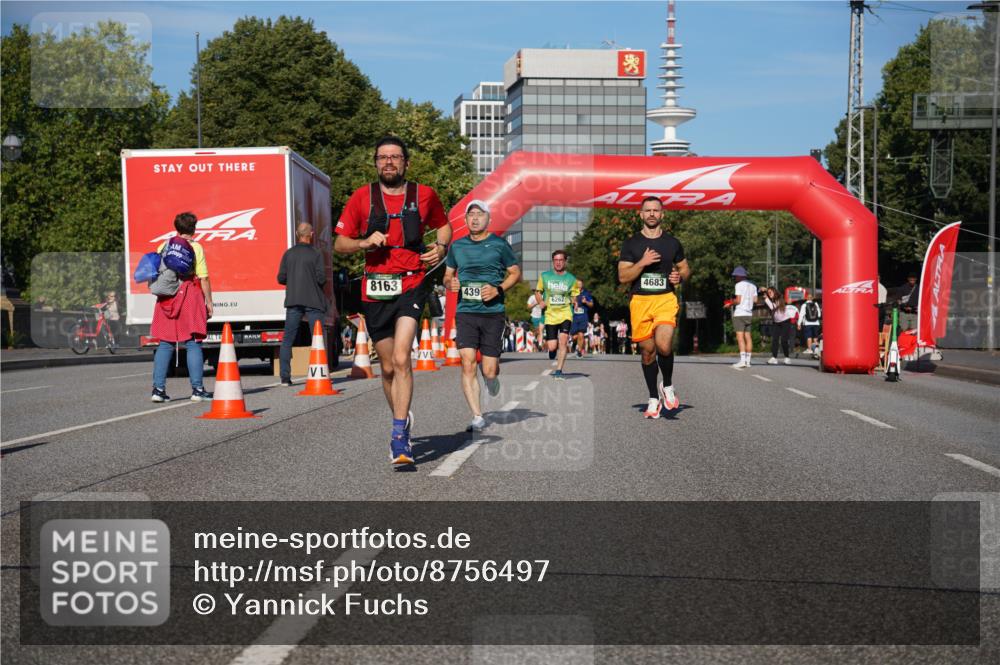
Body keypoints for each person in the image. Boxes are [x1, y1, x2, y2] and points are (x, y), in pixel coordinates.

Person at [334, 136, 451, 465]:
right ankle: (402, 417)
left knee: (402, 359)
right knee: (386, 368)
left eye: (395, 157)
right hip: (375, 289)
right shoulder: (362, 198)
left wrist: (441, 249)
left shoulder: (424, 195)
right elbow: (339, 243)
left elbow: (443, 227)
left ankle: (399, 437)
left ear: (406, 163)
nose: (388, 162)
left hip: (412, 284)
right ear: (375, 163)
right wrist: (363, 243)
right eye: (382, 157)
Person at [443, 200, 521, 431]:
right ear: (465, 220)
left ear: (488, 218)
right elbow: (447, 276)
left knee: (489, 370)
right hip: (466, 311)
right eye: (470, 215)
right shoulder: (457, 246)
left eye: (479, 214)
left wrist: (498, 289)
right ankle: (477, 416)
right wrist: (451, 282)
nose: (474, 218)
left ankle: (491, 378)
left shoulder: (499, 245)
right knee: (467, 363)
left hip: (492, 313)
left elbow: (515, 273)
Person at [617, 196, 691, 418]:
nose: (651, 214)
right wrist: (642, 262)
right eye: (647, 210)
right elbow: (622, 276)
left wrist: (680, 277)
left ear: (662, 214)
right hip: (640, 301)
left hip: (665, 299)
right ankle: (652, 397)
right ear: (640, 214)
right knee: (648, 353)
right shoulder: (631, 244)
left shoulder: (672, 243)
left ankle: (667, 385)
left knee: (664, 344)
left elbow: (685, 268)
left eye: (655, 210)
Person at [150, 212, 213, 402]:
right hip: (189, 294)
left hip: (167, 297)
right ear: (194, 228)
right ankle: (197, 389)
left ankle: (158, 390)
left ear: (176, 227)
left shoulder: (164, 245)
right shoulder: (196, 247)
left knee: (165, 343)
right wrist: (208, 301)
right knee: (193, 342)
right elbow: (203, 277)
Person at [277, 222, 327, 386]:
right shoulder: (316, 253)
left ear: (298, 234)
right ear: (311, 234)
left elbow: (281, 278)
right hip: (313, 301)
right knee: (318, 338)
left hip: (293, 300)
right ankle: (320, 372)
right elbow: (321, 279)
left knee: (288, 339)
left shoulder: (288, 254)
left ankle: (285, 377)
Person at [535, 250, 580, 378]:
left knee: (563, 340)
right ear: (553, 261)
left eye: (561, 260)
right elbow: (538, 292)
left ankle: (559, 370)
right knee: (552, 345)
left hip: (565, 312)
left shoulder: (571, 279)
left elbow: (574, 295)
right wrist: (541, 301)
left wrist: (574, 302)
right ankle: (552, 350)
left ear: (565, 261)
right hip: (550, 314)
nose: (558, 262)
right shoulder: (545, 276)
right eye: (556, 260)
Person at [730, 266, 757, 369]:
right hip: (749, 314)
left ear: (740, 276)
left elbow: (738, 300)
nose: (735, 278)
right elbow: (755, 301)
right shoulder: (753, 286)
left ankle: (742, 361)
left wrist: (730, 303)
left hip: (740, 313)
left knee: (740, 337)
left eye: (735, 276)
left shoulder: (738, 285)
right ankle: (748, 361)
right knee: (748, 337)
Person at [764, 293, 796, 364]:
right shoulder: (771, 300)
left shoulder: (779, 300)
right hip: (776, 322)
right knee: (775, 339)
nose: (770, 294)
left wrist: (766, 298)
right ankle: (774, 357)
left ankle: (787, 357)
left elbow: (773, 307)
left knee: (784, 340)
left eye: (771, 292)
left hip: (785, 322)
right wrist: (766, 297)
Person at [571, 280, 594, 358]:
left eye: (580, 284)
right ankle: (575, 344)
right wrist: (573, 302)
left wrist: (586, 302)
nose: (579, 285)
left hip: (583, 317)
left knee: (581, 334)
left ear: (582, 285)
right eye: (577, 284)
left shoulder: (586, 293)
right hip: (574, 317)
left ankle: (579, 351)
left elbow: (591, 304)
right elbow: (568, 301)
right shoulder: (573, 293)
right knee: (574, 336)